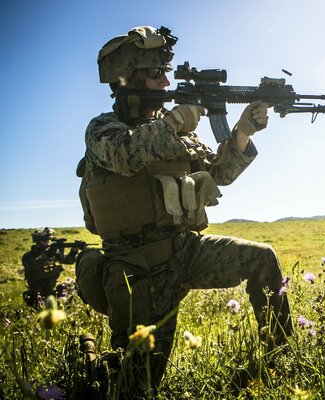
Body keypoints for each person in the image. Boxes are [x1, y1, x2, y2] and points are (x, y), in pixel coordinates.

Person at [75, 26, 292, 397]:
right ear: (125, 79)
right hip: (135, 269)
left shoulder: (179, 133)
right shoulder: (103, 130)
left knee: (262, 259)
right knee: (138, 386)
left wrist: (242, 130)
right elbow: (127, 155)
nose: (164, 82)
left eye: (165, 72)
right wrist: (174, 122)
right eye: (155, 73)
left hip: (186, 251)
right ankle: (90, 359)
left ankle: (282, 363)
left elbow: (220, 172)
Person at [22, 227, 79, 307]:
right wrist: (47, 254)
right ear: (37, 242)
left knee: (71, 284)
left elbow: (67, 260)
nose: (47, 243)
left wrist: (73, 252)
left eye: (49, 240)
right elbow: (34, 268)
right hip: (38, 292)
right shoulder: (28, 256)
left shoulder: (51, 253)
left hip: (52, 288)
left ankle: (63, 304)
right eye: (44, 240)